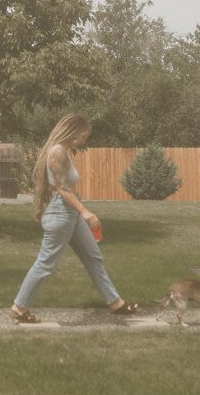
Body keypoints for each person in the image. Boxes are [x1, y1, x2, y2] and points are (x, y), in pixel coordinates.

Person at [11, 113, 139, 323]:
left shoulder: (65, 151)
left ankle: (115, 303)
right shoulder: (58, 152)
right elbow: (61, 188)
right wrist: (85, 211)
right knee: (46, 264)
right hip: (62, 215)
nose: (84, 140)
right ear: (72, 130)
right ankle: (19, 307)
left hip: (69, 214)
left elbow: (47, 183)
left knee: (93, 256)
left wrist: (41, 208)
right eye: (82, 135)